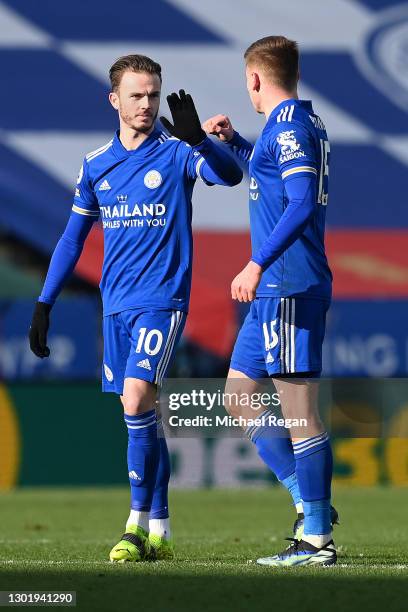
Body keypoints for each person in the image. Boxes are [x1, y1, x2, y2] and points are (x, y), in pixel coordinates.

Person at [29, 54, 242, 563]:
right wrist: (44, 301)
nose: (147, 104)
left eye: (153, 94)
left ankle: (133, 524)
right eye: (137, 95)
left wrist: (199, 141)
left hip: (162, 300)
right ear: (115, 100)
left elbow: (230, 176)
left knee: (135, 398)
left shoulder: (176, 154)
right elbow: (71, 239)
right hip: (115, 306)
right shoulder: (96, 164)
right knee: (142, 413)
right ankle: (161, 532)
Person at [202, 35, 338, 567]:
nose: (248, 91)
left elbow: (301, 201)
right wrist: (235, 141)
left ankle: (316, 538)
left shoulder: (291, 128)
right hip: (273, 292)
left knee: (300, 413)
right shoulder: (294, 126)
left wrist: (256, 263)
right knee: (239, 396)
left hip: (287, 283)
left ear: (255, 78)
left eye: (246, 83)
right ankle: (307, 502)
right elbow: (272, 179)